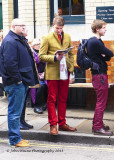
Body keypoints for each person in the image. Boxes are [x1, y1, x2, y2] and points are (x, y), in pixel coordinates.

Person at [0, 18, 39, 147]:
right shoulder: (10, 41)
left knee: (16, 111)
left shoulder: (18, 39)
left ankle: (16, 137)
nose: (23, 27)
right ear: (13, 26)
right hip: (16, 83)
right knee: (15, 112)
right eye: (21, 25)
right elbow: (10, 64)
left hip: (21, 81)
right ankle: (15, 139)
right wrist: (18, 80)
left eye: (24, 25)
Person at [39, 16, 76, 135]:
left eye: (60, 28)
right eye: (56, 28)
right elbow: (41, 56)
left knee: (63, 98)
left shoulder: (68, 36)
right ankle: (53, 125)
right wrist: (55, 57)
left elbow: (70, 53)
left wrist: (71, 68)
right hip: (53, 72)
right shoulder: (46, 37)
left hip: (65, 72)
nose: (59, 30)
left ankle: (62, 123)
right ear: (52, 26)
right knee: (51, 99)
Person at [86, 19, 114, 136]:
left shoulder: (97, 41)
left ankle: (98, 123)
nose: (105, 29)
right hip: (99, 75)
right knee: (101, 102)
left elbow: (107, 56)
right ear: (97, 29)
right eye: (103, 28)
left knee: (101, 101)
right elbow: (111, 54)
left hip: (99, 74)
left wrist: (104, 55)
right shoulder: (95, 42)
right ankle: (97, 127)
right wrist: (105, 54)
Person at [30, 38, 47, 114]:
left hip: (45, 75)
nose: (39, 45)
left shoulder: (43, 52)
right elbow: (33, 65)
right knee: (41, 86)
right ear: (33, 46)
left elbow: (47, 64)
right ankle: (37, 106)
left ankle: (46, 104)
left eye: (40, 44)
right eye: (37, 44)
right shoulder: (32, 53)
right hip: (34, 76)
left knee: (50, 84)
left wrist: (45, 73)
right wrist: (39, 75)